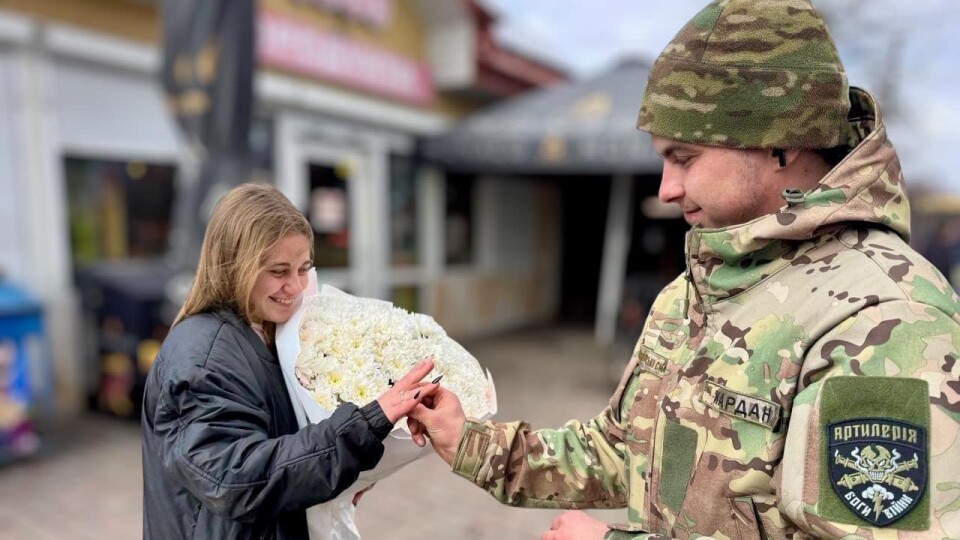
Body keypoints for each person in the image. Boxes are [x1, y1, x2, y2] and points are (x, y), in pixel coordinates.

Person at [408, 1, 960, 538]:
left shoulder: (887, 318)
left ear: (780, 144)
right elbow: (623, 449)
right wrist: (471, 442)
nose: (667, 189)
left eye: (685, 158)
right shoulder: (699, 286)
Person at [142, 183, 438, 540]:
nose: (296, 287)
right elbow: (237, 478)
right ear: (233, 265)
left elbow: (283, 451)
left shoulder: (267, 332)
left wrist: (335, 485)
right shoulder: (204, 353)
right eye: (279, 271)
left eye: (304, 268)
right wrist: (363, 428)